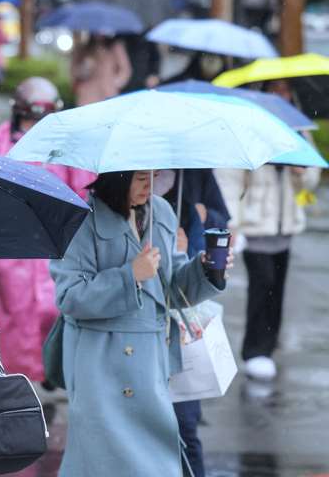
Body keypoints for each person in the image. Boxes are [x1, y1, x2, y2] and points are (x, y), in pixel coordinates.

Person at [50, 170, 229, 476]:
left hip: (151, 360)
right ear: (117, 177)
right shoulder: (80, 218)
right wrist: (129, 275)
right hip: (99, 364)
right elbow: (70, 297)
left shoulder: (161, 211)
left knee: (154, 460)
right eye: (140, 176)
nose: (150, 183)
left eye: (154, 174)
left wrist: (206, 271)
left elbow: (172, 289)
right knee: (102, 462)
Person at [0, 77, 95, 384]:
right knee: (14, 317)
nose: (35, 124)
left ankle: (52, 371)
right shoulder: (1, 141)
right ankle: (19, 383)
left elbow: (82, 190)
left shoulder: (66, 142)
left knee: (54, 310)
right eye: (30, 117)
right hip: (11, 247)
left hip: (55, 243)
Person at [155, 169, 230, 477]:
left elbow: (218, 220)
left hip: (179, 330)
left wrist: (197, 261)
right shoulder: (108, 206)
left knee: (184, 426)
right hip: (130, 343)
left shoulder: (190, 180)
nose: (149, 180)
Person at [215, 163, 319, 381]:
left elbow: (310, 183)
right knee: (263, 285)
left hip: (285, 229)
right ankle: (255, 351)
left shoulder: (297, 135)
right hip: (255, 230)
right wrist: (231, 225)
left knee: (277, 289)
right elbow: (229, 183)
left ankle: (267, 347)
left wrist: (301, 172)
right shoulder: (252, 136)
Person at [70, 34, 132, 106]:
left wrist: (114, 83)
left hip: (108, 93)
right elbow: (73, 72)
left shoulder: (115, 47)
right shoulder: (83, 48)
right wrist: (85, 67)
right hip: (88, 95)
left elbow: (125, 70)